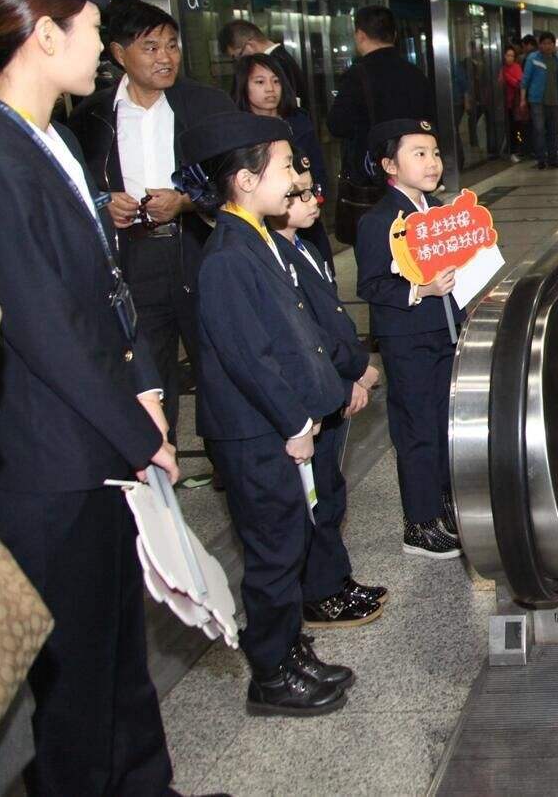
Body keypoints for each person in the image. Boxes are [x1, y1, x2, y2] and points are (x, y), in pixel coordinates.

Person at [0, 0, 180, 792]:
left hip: (91, 444)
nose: (107, 48)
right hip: (49, 463)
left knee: (117, 652)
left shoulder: (48, 137)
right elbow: (45, 328)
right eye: (96, 28)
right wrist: (138, 434)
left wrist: (141, 381)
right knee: (74, 679)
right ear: (45, 34)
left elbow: (100, 287)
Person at [179, 112, 354, 716]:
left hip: (273, 424)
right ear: (246, 180)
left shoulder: (258, 238)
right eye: (284, 165)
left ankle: (289, 649)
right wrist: (294, 423)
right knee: (274, 552)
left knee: (290, 541)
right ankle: (272, 674)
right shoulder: (229, 254)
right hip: (256, 431)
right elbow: (247, 356)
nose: (296, 174)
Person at [69, 0, 232, 489]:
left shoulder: (205, 106)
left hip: (198, 254)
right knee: (148, 370)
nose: (166, 57)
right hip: (134, 259)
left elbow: (236, 181)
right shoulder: (92, 114)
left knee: (219, 366)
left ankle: (232, 471)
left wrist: (184, 203)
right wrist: (104, 204)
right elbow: (78, 185)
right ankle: (157, 476)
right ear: (119, 53)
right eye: (151, 46)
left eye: (173, 45)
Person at [271, 155, 386, 628]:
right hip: (319, 391)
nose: (311, 200)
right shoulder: (273, 259)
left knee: (332, 490)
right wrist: (353, 375)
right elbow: (310, 336)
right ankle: (320, 591)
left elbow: (335, 321)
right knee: (316, 498)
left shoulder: (306, 248)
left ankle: (336, 578)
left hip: (335, 385)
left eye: (311, 190)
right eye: (297, 195)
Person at [355, 119, 464, 559]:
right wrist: (421, 289)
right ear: (389, 166)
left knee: (443, 424)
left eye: (435, 152)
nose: (432, 162)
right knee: (417, 429)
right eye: (418, 153)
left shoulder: (437, 211)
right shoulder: (380, 219)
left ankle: (441, 505)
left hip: (445, 333)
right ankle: (418, 525)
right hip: (408, 339)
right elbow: (371, 285)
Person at [234, 51, 333, 266]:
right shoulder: (238, 133)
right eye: (260, 82)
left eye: (276, 81)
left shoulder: (299, 123)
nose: (270, 89)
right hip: (262, 225)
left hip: (306, 218)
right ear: (244, 86)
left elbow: (318, 173)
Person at [326, 5, 434, 178]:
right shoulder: (416, 73)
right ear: (395, 36)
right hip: (413, 168)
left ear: (360, 36)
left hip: (372, 174)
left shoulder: (356, 76)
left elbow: (337, 126)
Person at [218, 18, 309, 112]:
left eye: (238, 56)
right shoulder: (282, 57)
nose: (240, 62)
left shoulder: (275, 64)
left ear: (250, 45)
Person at [522, 31, 558, 169]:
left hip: (554, 100)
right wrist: (522, 99)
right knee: (539, 130)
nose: (547, 46)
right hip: (537, 101)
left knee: (554, 130)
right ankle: (541, 158)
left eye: (550, 43)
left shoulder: (557, 60)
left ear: (554, 44)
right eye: (544, 43)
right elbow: (525, 80)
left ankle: (553, 158)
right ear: (539, 45)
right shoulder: (533, 59)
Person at [502, 42, 526, 162]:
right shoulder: (502, 69)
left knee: (515, 128)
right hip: (505, 104)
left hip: (514, 104)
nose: (509, 58)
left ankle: (516, 150)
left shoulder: (516, 68)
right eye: (507, 55)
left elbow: (519, 83)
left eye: (512, 56)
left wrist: (508, 78)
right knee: (509, 128)